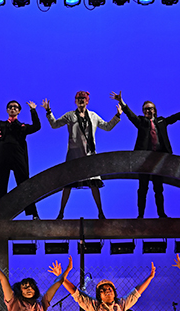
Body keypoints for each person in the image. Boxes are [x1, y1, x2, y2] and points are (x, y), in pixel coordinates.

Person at [109, 91, 180, 218]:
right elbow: (131, 115)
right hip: (143, 160)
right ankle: (140, 215)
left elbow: (175, 117)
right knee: (143, 188)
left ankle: (161, 214)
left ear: (154, 110)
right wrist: (121, 102)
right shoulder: (141, 122)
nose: (148, 111)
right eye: (145, 109)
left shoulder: (161, 121)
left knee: (158, 188)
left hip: (158, 160)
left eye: (150, 108)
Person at [43, 91, 121, 220]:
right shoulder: (70, 115)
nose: (81, 100)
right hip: (74, 154)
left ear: (87, 101)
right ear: (75, 101)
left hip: (90, 154)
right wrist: (48, 111)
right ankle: (61, 213)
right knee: (67, 183)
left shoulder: (93, 116)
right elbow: (55, 124)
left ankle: (101, 213)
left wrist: (117, 115)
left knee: (94, 183)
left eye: (83, 98)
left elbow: (107, 127)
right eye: (78, 99)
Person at [0, 94, 41, 219]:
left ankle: (33, 214)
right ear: (7, 110)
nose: (13, 109)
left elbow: (37, 126)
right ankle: (0, 214)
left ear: (19, 111)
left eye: (15, 107)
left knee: (24, 184)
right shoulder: (1, 125)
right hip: (3, 157)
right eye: (10, 107)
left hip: (18, 157)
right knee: (1, 185)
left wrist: (33, 111)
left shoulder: (22, 127)